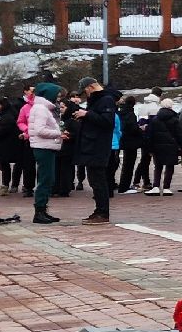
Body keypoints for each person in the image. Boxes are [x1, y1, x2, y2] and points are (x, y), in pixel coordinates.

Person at [74, 78, 121, 225]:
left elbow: (107, 122)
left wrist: (87, 115)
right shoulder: (98, 100)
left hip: (98, 146)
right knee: (94, 180)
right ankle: (99, 210)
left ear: (91, 87)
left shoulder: (106, 100)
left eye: (85, 91)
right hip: (91, 145)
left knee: (99, 180)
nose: (85, 94)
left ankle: (102, 212)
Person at [25, 83, 64, 225]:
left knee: (48, 179)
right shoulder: (41, 109)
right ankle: (39, 211)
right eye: (57, 95)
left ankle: (43, 210)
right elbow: (40, 130)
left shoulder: (42, 108)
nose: (58, 98)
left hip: (46, 147)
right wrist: (59, 133)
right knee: (45, 179)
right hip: (43, 147)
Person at [145, 96, 182, 196]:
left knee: (158, 166)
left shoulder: (155, 119)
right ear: (171, 107)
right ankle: (166, 188)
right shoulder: (175, 119)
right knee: (170, 166)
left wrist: (150, 149)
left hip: (157, 146)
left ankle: (156, 187)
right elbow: (179, 135)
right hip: (171, 146)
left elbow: (150, 135)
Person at [115, 93, 147, 194]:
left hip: (123, 140)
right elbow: (133, 128)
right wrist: (141, 129)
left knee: (126, 164)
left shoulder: (121, 112)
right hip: (131, 142)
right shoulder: (130, 114)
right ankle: (124, 187)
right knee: (129, 165)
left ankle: (123, 186)